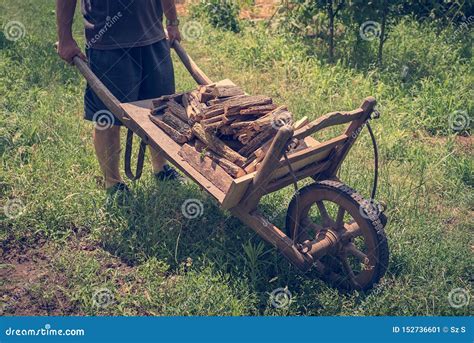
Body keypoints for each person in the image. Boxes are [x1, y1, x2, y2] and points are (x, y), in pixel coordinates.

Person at [56, 0, 182, 198]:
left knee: (161, 109)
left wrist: (172, 21)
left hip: (153, 38)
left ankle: (161, 167)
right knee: (108, 118)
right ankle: (113, 183)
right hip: (108, 43)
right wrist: (65, 38)